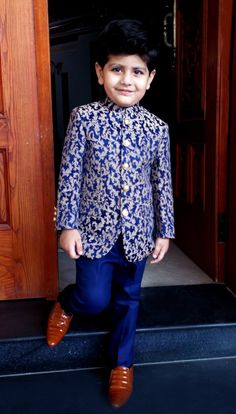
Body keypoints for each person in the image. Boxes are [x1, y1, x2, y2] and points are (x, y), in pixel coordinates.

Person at [47, 19, 175, 408]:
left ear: (150, 78)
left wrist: (164, 231)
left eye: (137, 71)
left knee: (128, 299)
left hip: (138, 232)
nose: (126, 80)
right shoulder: (84, 118)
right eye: (117, 68)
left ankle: (123, 363)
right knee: (94, 297)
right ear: (99, 71)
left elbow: (161, 183)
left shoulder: (157, 128)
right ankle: (68, 304)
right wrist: (67, 224)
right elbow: (69, 174)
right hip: (94, 231)